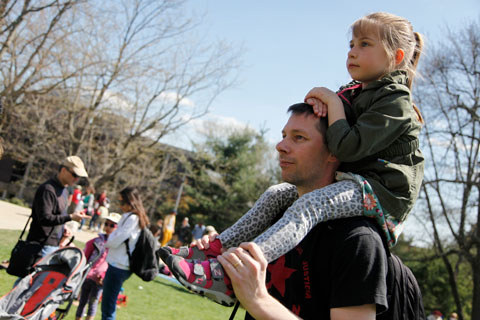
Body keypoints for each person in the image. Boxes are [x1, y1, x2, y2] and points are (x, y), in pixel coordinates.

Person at [162, 12, 425, 305]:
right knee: (276, 194)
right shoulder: (355, 91)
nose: (352, 51)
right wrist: (320, 102)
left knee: (309, 205)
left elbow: (347, 147)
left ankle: (236, 271)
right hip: (355, 181)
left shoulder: (397, 101)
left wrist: (333, 102)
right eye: (351, 44)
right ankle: (216, 250)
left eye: (365, 44)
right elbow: (327, 119)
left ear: (397, 56)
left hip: (382, 193)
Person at [101, 187, 149, 320]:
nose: (120, 205)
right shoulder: (132, 217)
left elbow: (117, 238)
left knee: (108, 308)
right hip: (119, 264)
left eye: (122, 202)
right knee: (108, 306)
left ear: (131, 202)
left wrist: (106, 242)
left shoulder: (132, 218)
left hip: (119, 265)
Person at [26, 156, 89, 257]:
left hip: (53, 245)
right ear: (64, 170)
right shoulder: (48, 189)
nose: (76, 179)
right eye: (74, 175)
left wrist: (63, 228)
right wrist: (70, 217)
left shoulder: (64, 190)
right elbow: (45, 219)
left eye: (79, 177)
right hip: (40, 246)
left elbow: (58, 214)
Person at [75, 213, 121, 320]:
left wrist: (105, 276)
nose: (108, 227)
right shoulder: (96, 241)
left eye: (112, 225)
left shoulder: (117, 246)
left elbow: (114, 263)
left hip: (100, 280)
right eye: (106, 224)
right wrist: (82, 271)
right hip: (88, 276)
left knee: (93, 303)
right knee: (82, 301)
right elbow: (86, 256)